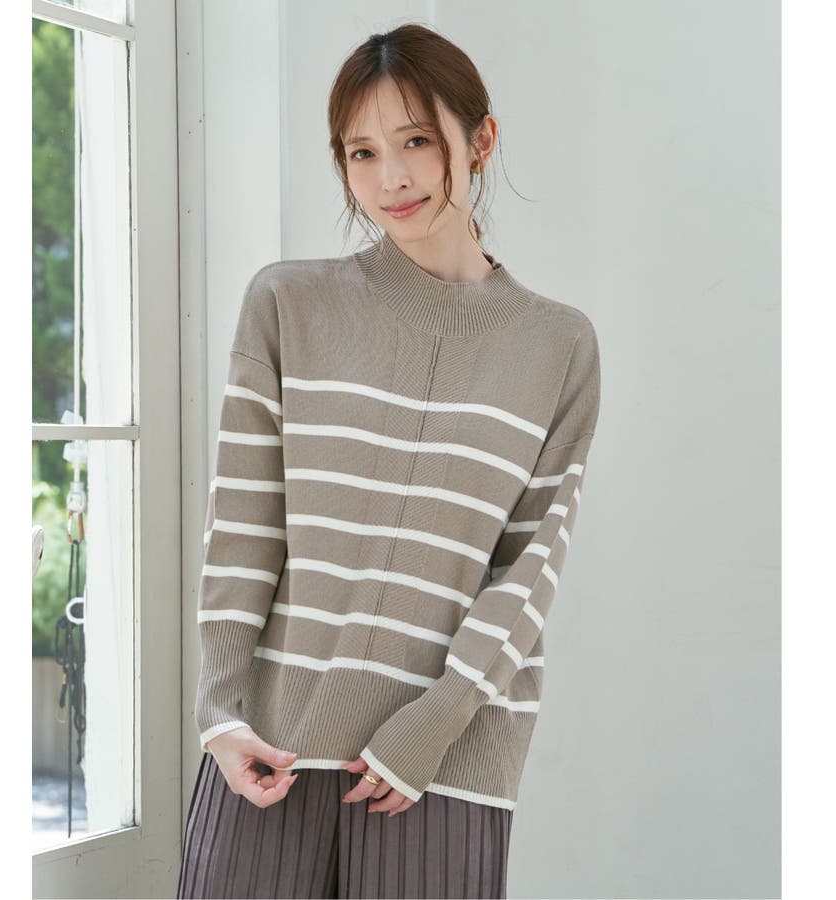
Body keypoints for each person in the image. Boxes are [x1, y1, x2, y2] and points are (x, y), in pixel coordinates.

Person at [177, 22, 601, 900]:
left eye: (415, 141)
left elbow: (528, 568)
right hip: (269, 748)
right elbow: (243, 527)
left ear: (480, 140)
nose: (391, 178)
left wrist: (433, 724)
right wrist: (218, 711)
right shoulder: (287, 305)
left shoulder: (557, 345)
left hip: (441, 764)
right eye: (361, 153)